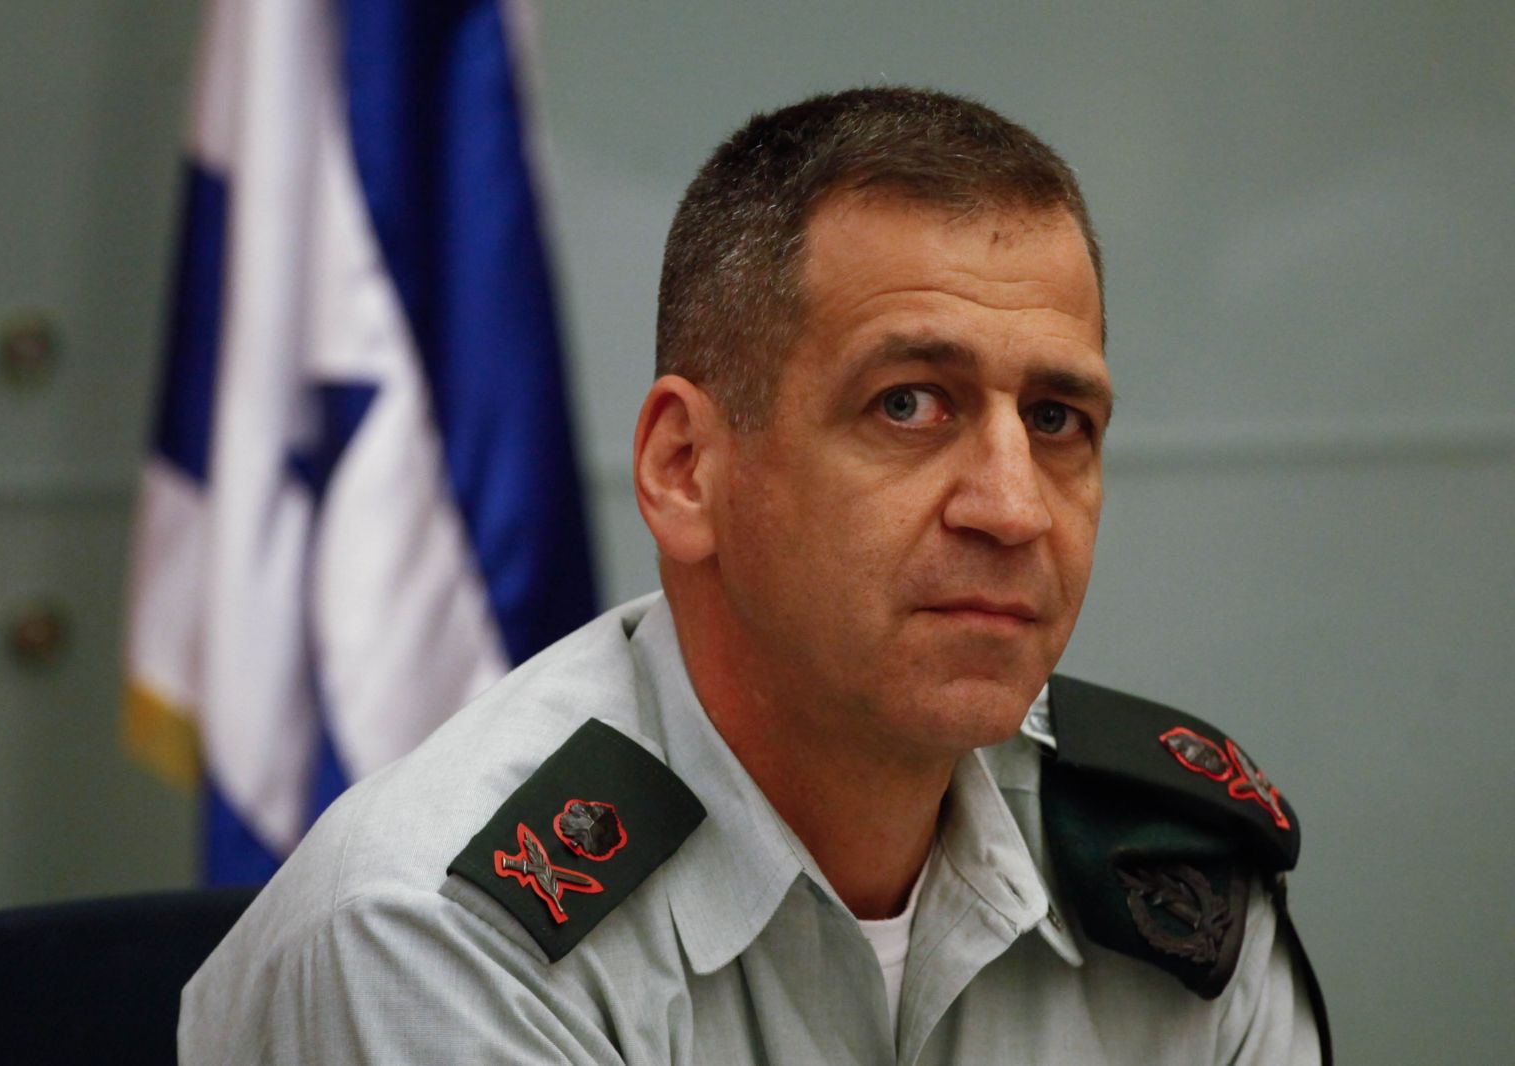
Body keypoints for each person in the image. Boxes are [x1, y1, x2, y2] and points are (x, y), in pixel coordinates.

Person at [180, 87, 1326, 1064]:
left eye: (1056, 418)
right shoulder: (439, 933)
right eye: (907, 404)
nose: (1013, 507)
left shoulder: (1172, 874)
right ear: (686, 467)